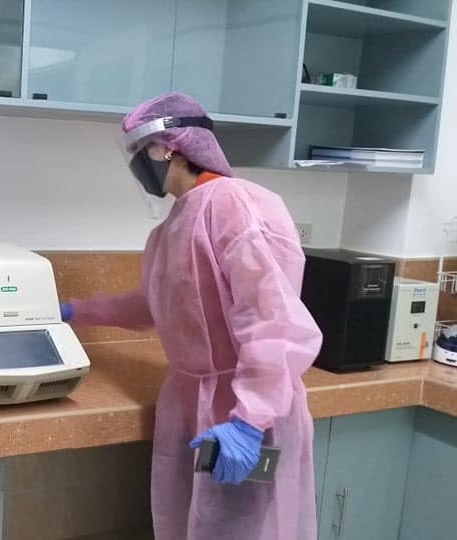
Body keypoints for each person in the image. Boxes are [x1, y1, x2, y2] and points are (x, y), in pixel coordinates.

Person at [60, 92, 323, 540]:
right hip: (191, 404)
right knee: (191, 525)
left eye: (141, 153)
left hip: (247, 409)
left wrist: (247, 420)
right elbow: (152, 304)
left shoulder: (235, 205)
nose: (139, 166)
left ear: (169, 147)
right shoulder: (170, 229)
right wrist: (74, 311)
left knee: (246, 529)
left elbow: (270, 319)